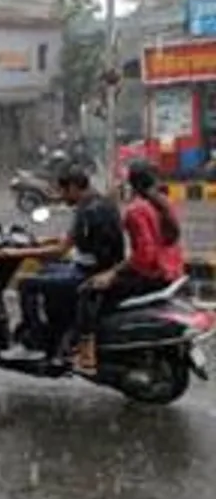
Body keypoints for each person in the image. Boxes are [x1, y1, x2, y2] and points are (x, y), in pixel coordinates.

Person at [0, 164, 125, 360]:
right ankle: (55, 331)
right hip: (99, 267)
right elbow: (71, 239)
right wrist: (40, 241)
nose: (62, 197)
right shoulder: (99, 203)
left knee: (26, 285)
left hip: (89, 274)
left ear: (73, 187)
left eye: (63, 191)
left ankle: (34, 343)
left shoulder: (87, 211)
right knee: (46, 272)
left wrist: (15, 253)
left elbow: (60, 250)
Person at [76, 160, 186, 373]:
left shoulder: (136, 211)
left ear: (131, 183)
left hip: (152, 274)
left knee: (87, 290)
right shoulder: (162, 202)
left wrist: (113, 272)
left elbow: (144, 256)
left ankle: (86, 355)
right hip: (171, 272)